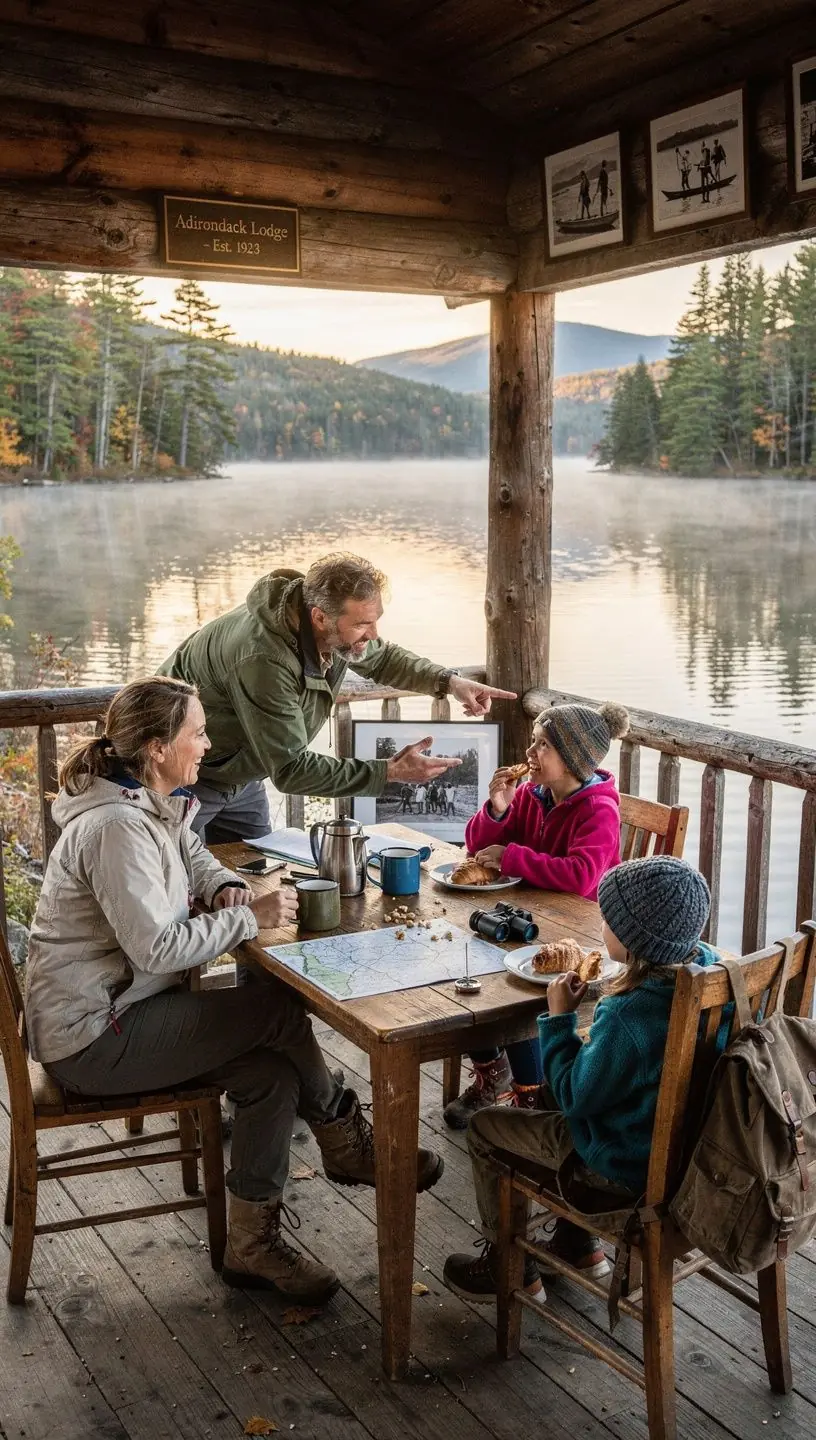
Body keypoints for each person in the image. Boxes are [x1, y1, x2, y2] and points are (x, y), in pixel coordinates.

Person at [24, 678, 444, 1305]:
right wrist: (251, 917)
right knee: (275, 1007)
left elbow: (193, 856)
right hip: (92, 1035)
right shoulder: (116, 828)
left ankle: (251, 1246)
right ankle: (344, 1138)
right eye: (197, 733)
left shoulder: (146, 802)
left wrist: (223, 886)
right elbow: (156, 950)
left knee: (271, 1079)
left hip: (125, 1010)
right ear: (158, 748)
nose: (208, 743)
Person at [443, 856, 721, 1302]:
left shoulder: (630, 1012)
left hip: (625, 1164)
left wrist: (559, 1020)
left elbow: (576, 1096)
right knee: (549, 1090)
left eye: (609, 920)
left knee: (485, 1128)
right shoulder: (715, 974)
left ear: (633, 939)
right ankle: (578, 1245)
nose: (602, 925)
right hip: (691, 1156)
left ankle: (508, 1269)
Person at [159, 553, 513, 845]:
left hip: (240, 772)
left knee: (251, 875)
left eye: (375, 621)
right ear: (319, 617)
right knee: (176, 880)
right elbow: (291, 769)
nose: (372, 634)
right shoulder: (264, 659)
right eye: (362, 624)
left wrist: (449, 682)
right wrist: (390, 772)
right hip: (182, 771)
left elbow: (383, 658)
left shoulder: (328, 629)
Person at [442, 702, 629, 1130]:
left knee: (515, 996)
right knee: (467, 969)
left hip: (580, 936)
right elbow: (477, 848)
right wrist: (497, 810)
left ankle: (533, 1094)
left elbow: (581, 876)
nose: (530, 752)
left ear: (574, 758)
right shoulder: (530, 795)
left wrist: (512, 857)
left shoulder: (599, 810)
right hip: (526, 920)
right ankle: (492, 1070)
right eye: (533, 741)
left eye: (543, 745)